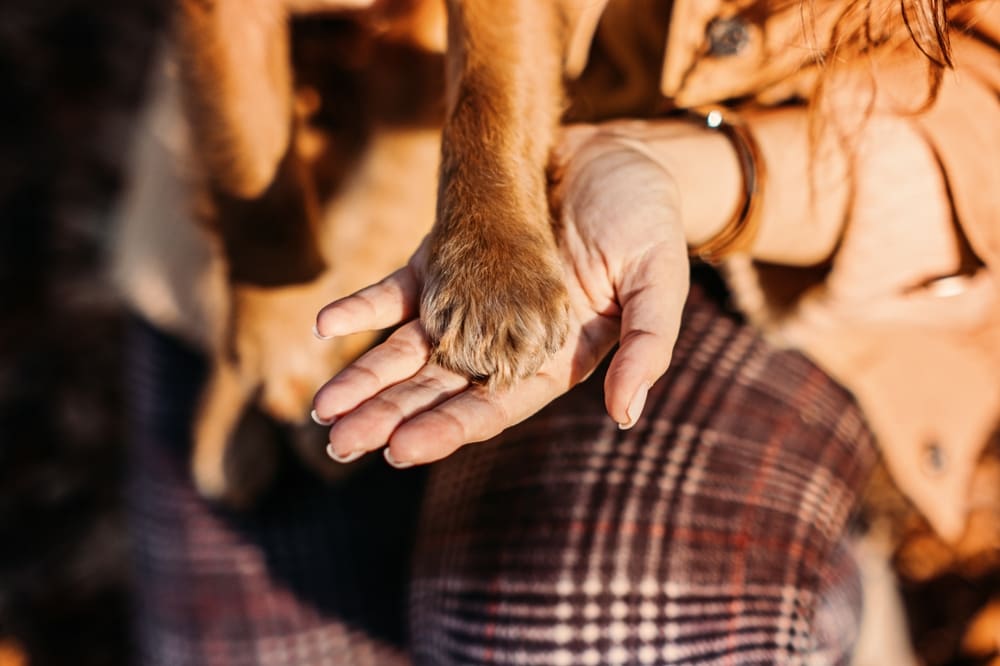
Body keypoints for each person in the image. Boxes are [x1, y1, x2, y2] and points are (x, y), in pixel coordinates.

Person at [122, 0, 1000, 664]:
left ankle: (837, 604)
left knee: (598, 625)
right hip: (325, 149)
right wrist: (266, 258)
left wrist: (695, 175)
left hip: (794, 226)